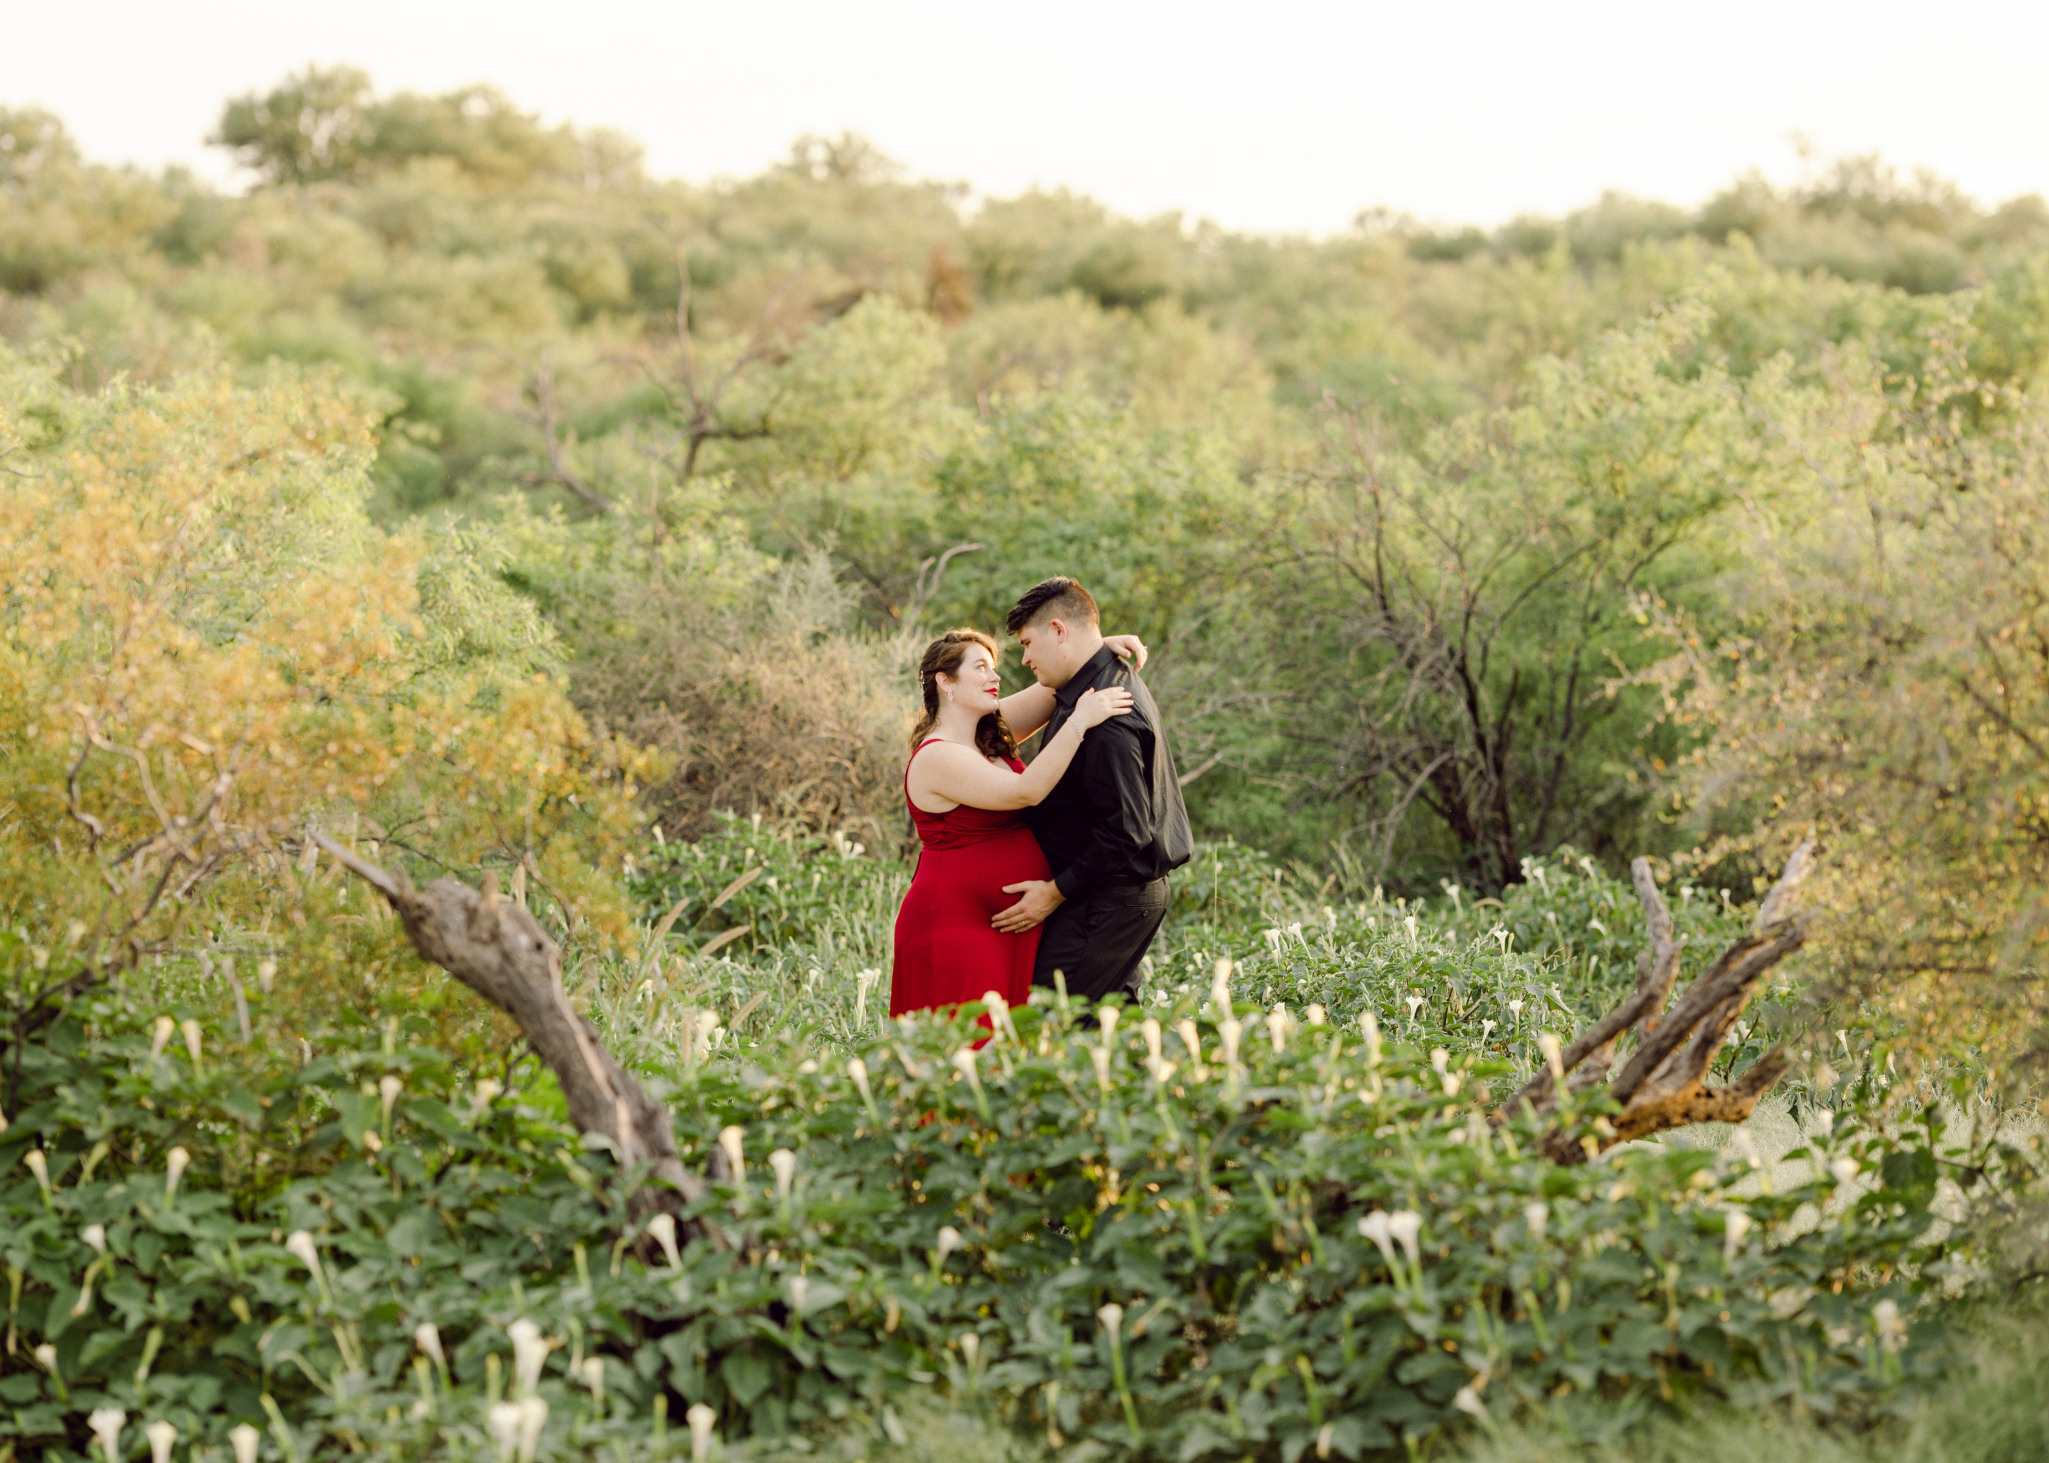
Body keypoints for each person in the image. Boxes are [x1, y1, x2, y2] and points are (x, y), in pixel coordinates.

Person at [889, 626, 1148, 1019]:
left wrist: (1095, 648)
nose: (994, 677)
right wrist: (1079, 722)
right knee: (974, 1037)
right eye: (981, 667)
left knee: (1009, 1037)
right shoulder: (937, 756)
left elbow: (1054, 685)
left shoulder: (985, 731)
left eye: (993, 667)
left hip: (1005, 925)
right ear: (946, 682)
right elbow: (1026, 791)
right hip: (955, 924)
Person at [993, 577, 1193, 1004]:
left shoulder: (1107, 712)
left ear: (1059, 630)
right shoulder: (1094, 684)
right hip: (1108, 897)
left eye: (1028, 643)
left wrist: (1053, 893)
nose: (1025, 658)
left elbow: (1126, 831)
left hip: (1108, 900)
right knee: (1108, 1025)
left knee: (1051, 1018)